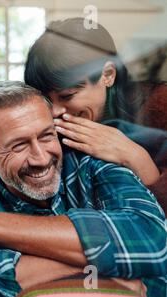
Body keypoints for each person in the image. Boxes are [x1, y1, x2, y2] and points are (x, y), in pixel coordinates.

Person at [0, 81, 167, 297]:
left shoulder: (95, 165)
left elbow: (155, 241)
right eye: (19, 145)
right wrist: (109, 267)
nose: (40, 158)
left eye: (46, 136)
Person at [24, 17, 167, 210]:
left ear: (107, 75)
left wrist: (135, 157)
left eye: (67, 96)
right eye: (46, 100)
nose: (55, 111)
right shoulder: (47, 130)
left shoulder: (159, 106)